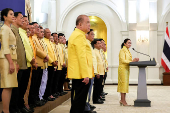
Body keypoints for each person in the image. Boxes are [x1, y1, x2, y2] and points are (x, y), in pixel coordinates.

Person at [68, 15, 93, 113]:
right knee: (79, 102)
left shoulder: (79, 34)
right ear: (80, 24)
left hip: (79, 73)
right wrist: (85, 75)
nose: (89, 24)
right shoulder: (79, 35)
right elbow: (81, 57)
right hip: (80, 74)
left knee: (78, 102)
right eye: (87, 22)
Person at [0, 8, 19, 113]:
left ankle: (6, 110)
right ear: (4, 17)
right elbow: (5, 47)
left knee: (10, 86)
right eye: (11, 14)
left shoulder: (9, 28)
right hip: (6, 59)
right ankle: (5, 111)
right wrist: (11, 63)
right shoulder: (4, 29)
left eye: (13, 14)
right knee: (7, 86)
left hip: (11, 59)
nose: (13, 16)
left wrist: (15, 62)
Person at [10, 12, 27, 113]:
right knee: (15, 90)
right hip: (17, 65)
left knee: (20, 89)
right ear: (15, 19)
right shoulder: (12, 30)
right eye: (21, 18)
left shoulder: (18, 31)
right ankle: (13, 109)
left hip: (22, 65)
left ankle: (18, 107)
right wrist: (15, 62)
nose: (23, 20)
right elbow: (12, 49)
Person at [117, 38, 139, 106]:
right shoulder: (122, 50)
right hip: (122, 69)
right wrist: (132, 61)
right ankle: (123, 101)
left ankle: (122, 100)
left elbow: (127, 60)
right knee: (123, 85)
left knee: (125, 85)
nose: (130, 44)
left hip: (126, 69)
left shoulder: (127, 50)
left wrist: (134, 60)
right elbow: (123, 60)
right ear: (124, 43)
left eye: (130, 43)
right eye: (128, 43)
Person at [84, 29, 97, 113]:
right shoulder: (85, 44)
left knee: (89, 90)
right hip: (87, 71)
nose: (93, 36)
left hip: (91, 71)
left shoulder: (89, 44)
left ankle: (87, 105)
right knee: (86, 90)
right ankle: (86, 107)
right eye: (92, 34)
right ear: (87, 35)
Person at [92, 39, 105, 104]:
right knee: (97, 86)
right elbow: (95, 63)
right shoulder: (94, 51)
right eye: (98, 43)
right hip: (98, 72)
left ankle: (98, 97)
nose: (100, 44)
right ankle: (95, 99)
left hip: (101, 71)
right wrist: (96, 73)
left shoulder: (99, 51)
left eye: (100, 43)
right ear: (95, 45)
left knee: (99, 86)